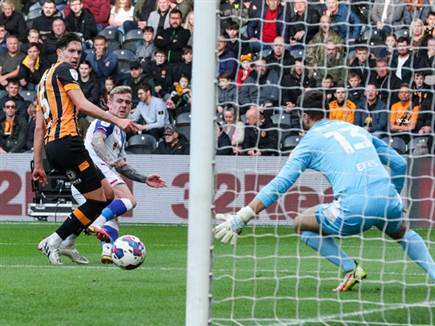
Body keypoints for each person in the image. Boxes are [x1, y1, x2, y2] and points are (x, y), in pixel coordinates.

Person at [214, 90, 435, 292]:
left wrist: (242, 217)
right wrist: (394, 195)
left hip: (354, 210)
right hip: (387, 199)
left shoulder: (308, 143)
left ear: (305, 116)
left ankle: (351, 268)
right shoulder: (354, 128)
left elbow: (280, 184)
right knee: (402, 233)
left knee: (301, 223)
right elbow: (399, 163)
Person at [33, 33, 139, 265]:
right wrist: (117, 119)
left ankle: (69, 242)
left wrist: (38, 164)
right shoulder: (65, 71)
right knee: (97, 200)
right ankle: (54, 240)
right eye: (71, 51)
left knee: (107, 195)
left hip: (55, 148)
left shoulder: (43, 82)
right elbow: (82, 103)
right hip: (68, 143)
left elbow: (39, 128)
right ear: (60, 52)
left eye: (79, 52)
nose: (76, 56)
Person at [69, 86, 165, 263]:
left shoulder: (119, 130)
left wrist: (144, 179)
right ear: (109, 104)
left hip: (85, 180)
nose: (123, 106)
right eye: (119, 101)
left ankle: (104, 250)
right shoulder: (106, 121)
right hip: (94, 172)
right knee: (129, 201)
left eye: (127, 102)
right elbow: (97, 142)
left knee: (113, 213)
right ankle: (97, 223)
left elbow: (122, 166)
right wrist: (110, 161)